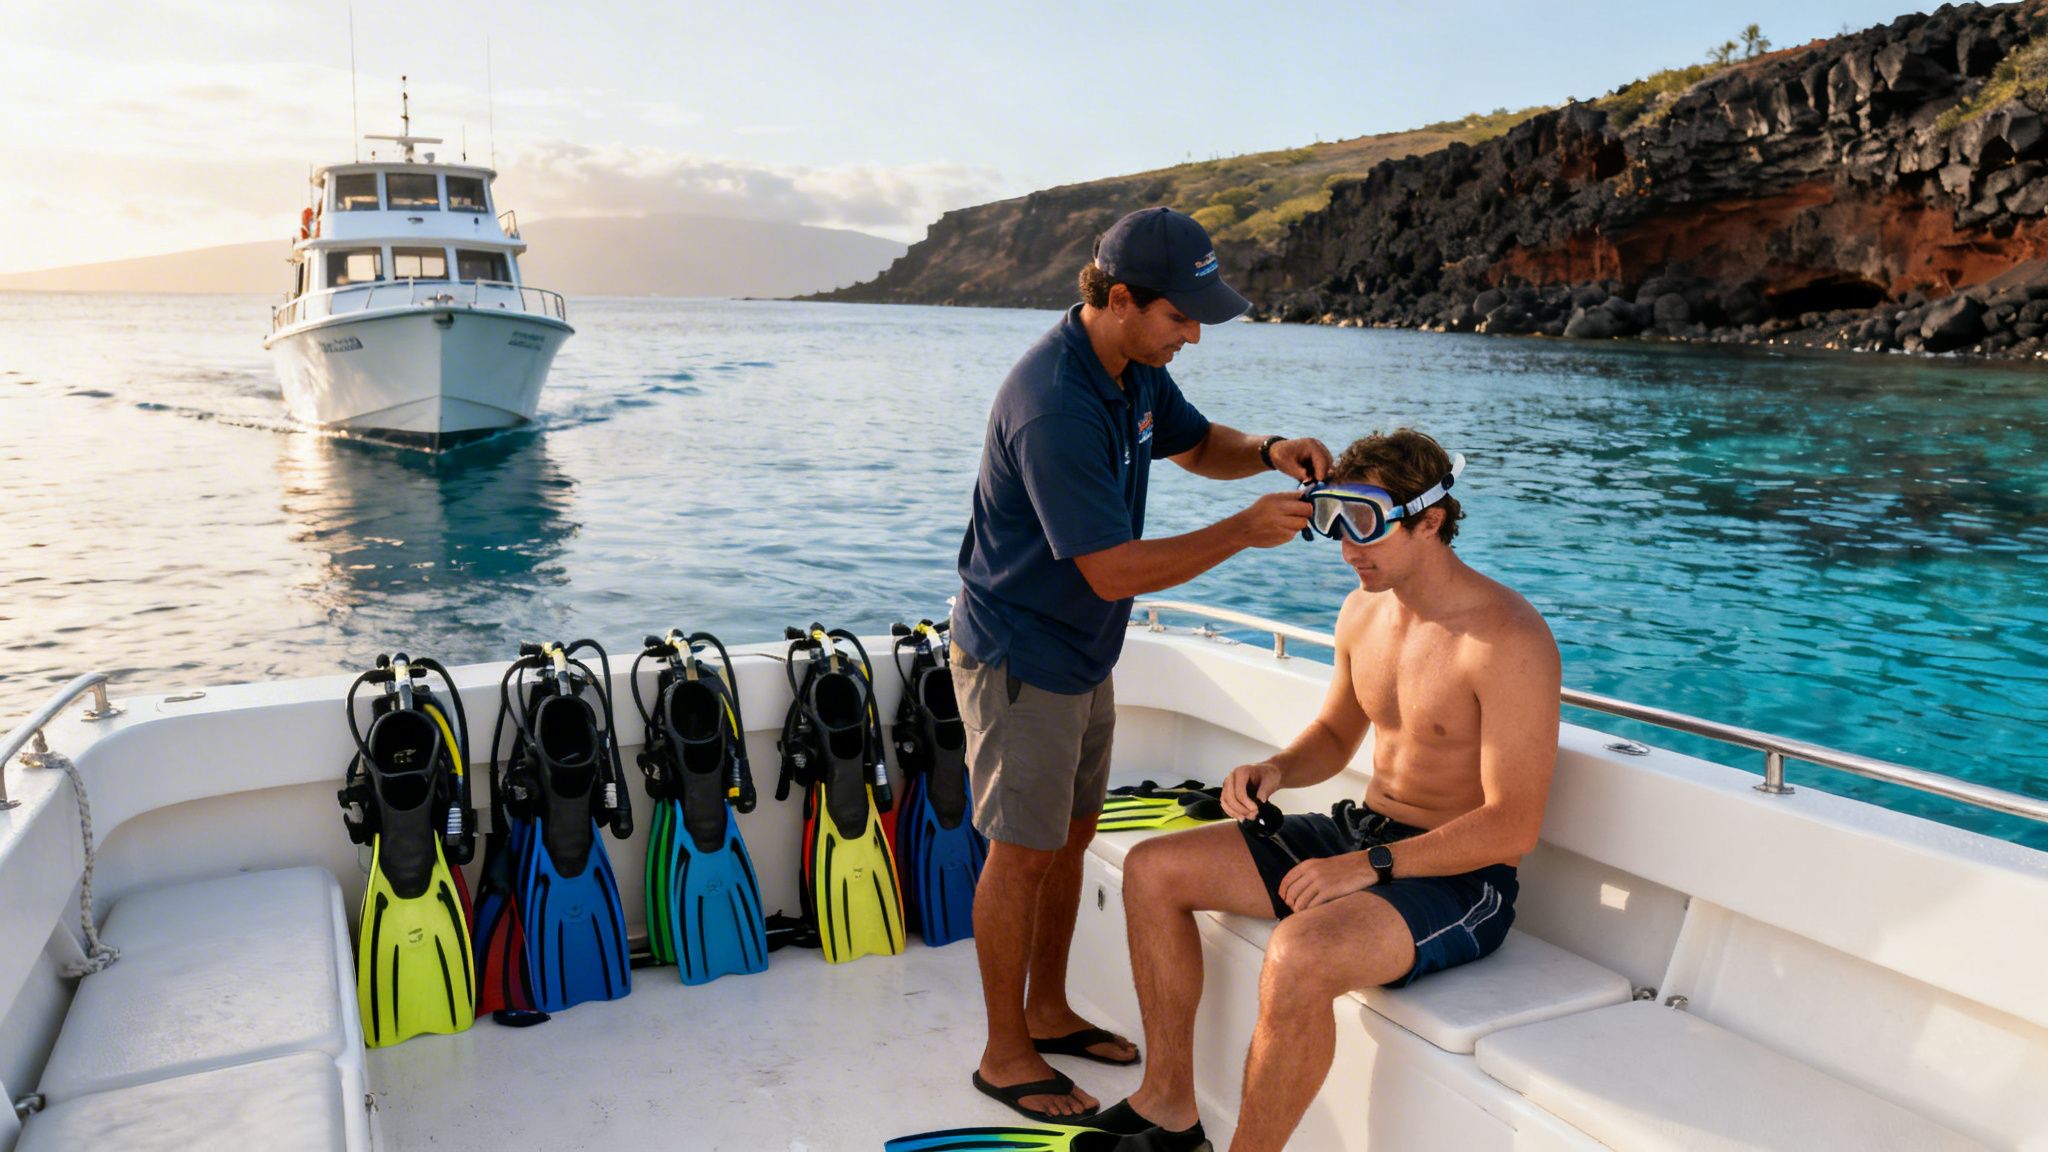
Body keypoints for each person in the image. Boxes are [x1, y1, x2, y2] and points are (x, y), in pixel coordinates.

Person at [950, 206, 1334, 1125]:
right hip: (1023, 655)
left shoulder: (1135, 367)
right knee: (1021, 853)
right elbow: (1112, 568)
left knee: (1073, 836)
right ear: (1121, 299)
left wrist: (1272, 451)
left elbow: (1200, 445)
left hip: (1085, 651)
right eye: (1182, 315)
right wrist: (1245, 532)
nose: (1196, 332)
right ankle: (1005, 1052)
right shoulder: (1055, 403)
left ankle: (1047, 1007)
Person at [1102, 428, 1563, 1152]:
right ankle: (1169, 1106)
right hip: (1363, 831)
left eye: (1366, 522)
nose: (1347, 545)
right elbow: (1337, 734)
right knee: (1152, 871)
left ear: (1431, 519)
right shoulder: (1364, 611)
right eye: (1330, 520)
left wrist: (1367, 869)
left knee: (1301, 953)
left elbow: (1513, 827)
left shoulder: (1507, 639)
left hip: (1459, 877)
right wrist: (1278, 770)